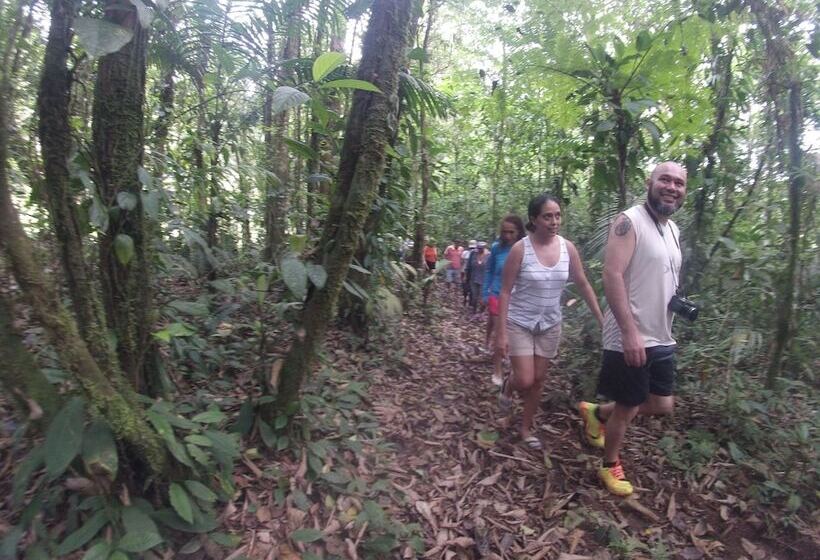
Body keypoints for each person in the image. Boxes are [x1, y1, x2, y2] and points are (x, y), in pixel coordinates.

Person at [577, 161, 687, 497]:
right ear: (649, 182)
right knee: (628, 404)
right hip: (632, 331)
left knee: (661, 403)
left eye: (679, 183)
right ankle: (609, 464)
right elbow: (611, 275)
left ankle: (596, 414)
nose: (671, 187)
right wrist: (628, 331)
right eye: (665, 180)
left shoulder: (673, 229)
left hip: (661, 331)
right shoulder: (629, 221)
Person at [497, 194, 604, 450]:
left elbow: (583, 283)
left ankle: (525, 428)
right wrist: (500, 334)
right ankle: (508, 387)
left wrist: (602, 319)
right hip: (520, 322)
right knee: (524, 379)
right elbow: (505, 291)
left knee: (538, 380)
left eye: (557, 215)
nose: (554, 221)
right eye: (547, 216)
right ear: (534, 219)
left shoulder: (568, 248)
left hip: (550, 324)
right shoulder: (520, 249)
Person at [483, 215, 526, 385]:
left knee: (514, 332)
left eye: (511, 232)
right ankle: (497, 369)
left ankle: (512, 361)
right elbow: (489, 271)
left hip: (518, 297)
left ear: (518, 232)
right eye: (504, 232)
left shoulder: (524, 248)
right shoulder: (496, 248)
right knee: (499, 329)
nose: (507, 235)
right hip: (497, 293)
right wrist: (486, 294)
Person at [468, 242, 489, 315]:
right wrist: (465, 275)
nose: (479, 250)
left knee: (483, 298)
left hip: (484, 280)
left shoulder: (489, 255)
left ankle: (481, 312)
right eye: (478, 248)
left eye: (481, 248)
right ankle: (474, 311)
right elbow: (468, 265)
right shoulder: (473, 254)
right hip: (473, 278)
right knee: (474, 296)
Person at [461, 240, 476, 307]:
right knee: (465, 287)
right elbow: (462, 262)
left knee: (472, 288)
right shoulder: (465, 253)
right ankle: (464, 298)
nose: (472, 249)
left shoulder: (477, 254)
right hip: (464, 271)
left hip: (473, 273)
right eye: (471, 248)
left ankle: (471, 302)